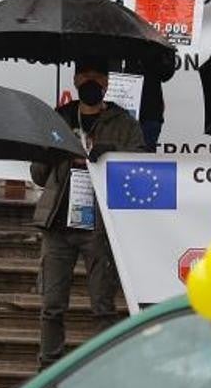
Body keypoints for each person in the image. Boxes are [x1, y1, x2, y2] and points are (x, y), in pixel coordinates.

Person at [31, 57, 145, 368]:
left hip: (100, 225)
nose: (90, 80)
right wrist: (53, 152)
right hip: (57, 223)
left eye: (97, 75)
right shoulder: (59, 118)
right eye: (85, 74)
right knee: (51, 305)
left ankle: (103, 370)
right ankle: (47, 369)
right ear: (75, 79)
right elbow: (38, 175)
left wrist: (107, 152)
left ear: (107, 83)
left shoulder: (124, 124)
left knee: (103, 306)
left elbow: (140, 169)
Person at [120, 0, 178, 151]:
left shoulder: (161, 25)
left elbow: (166, 71)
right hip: (113, 114)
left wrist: (146, 39)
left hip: (147, 112)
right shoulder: (114, 17)